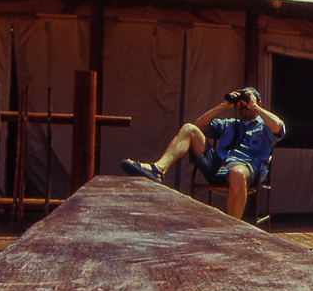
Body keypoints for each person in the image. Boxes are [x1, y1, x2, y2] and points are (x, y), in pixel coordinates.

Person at [121, 87, 285, 218]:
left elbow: (278, 126)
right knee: (189, 128)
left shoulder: (264, 126)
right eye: (240, 103)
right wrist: (223, 106)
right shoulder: (230, 124)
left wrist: (254, 106)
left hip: (245, 170)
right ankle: (158, 169)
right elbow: (198, 125)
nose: (243, 106)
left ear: (259, 104)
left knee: (237, 172)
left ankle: (233, 228)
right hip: (219, 167)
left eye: (246, 102)